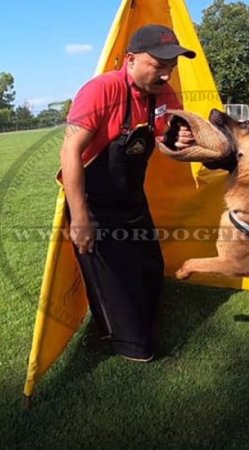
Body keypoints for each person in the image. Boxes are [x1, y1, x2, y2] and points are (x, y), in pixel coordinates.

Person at [60, 24, 196, 362]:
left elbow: (168, 136)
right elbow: (69, 153)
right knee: (136, 335)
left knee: (151, 270)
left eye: (171, 67)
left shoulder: (163, 94)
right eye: (158, 64)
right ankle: (122, 337)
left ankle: (136, 319)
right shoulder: (100, 90)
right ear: (131, 59)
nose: (166, 75)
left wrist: (176, 140)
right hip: (93, 204)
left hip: (132, 199)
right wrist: (80, 219)